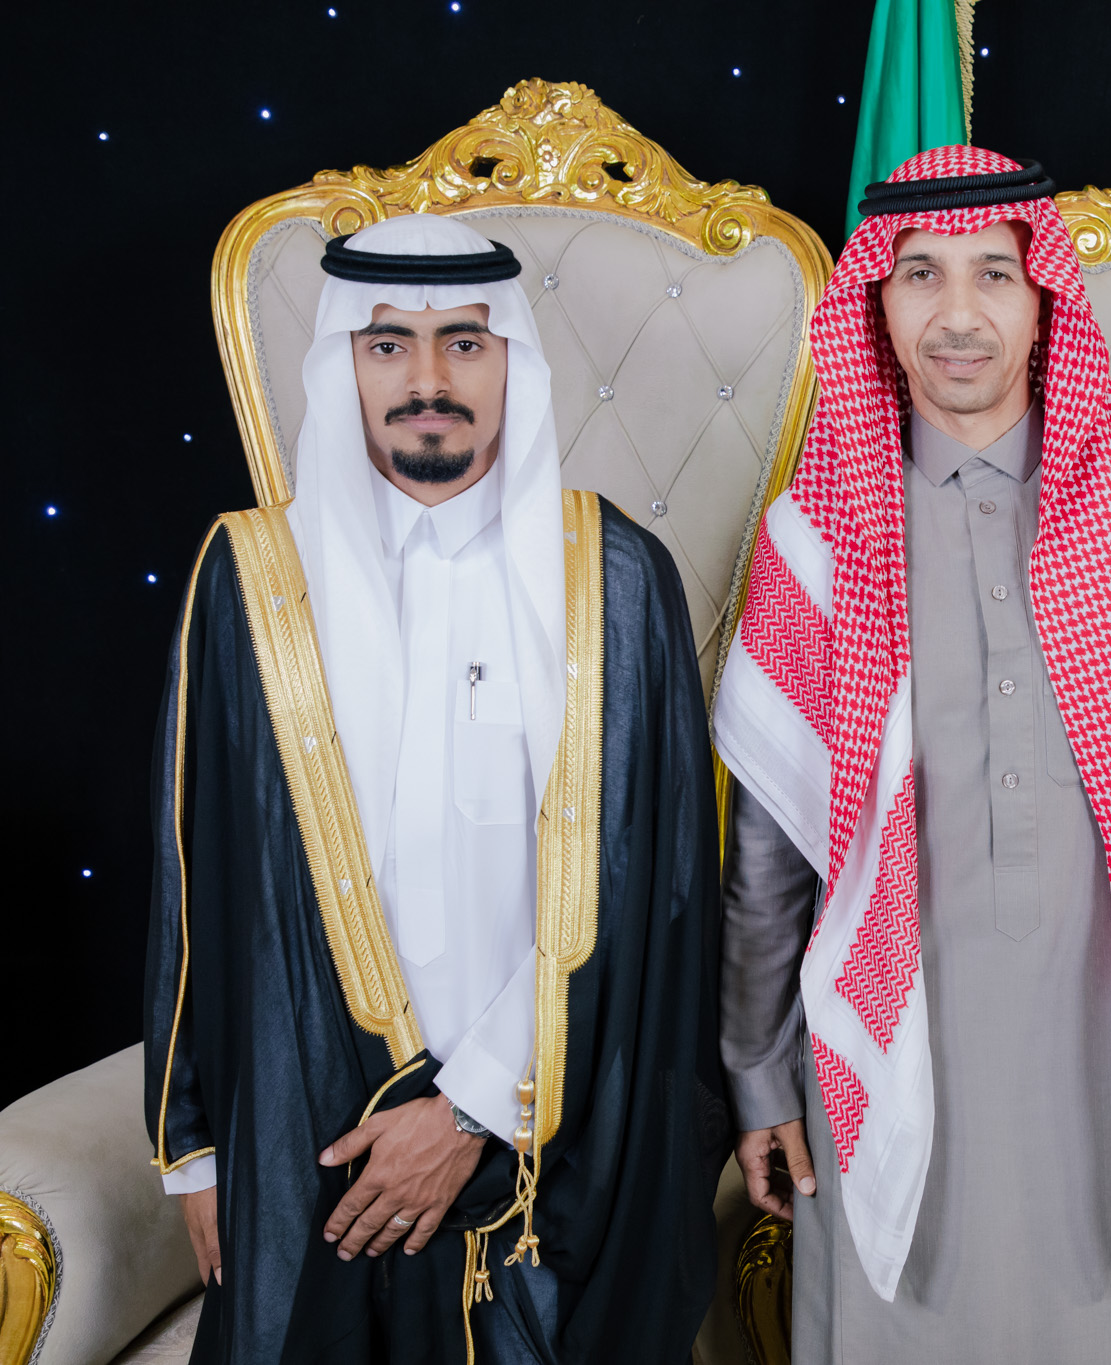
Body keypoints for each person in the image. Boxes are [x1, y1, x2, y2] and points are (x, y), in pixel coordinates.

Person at [714, 147, 1111, 1363]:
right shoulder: (815, 538)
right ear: (874, 307)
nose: (957, 315)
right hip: (883, 1054)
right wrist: (758, 1073)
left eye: (993, 273)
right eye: (920, 276)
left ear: (1045, 298)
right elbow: (766, 860)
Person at [144, 213, 726, 1363]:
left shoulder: (614, 579)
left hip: (550, 1149)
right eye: (386, 346)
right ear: (342, 365)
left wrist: (471, 1108)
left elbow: (655, 890)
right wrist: (196, 1152)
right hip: (311, 1128)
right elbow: (191, 872)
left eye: (464, 342)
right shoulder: (249, 578)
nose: (427, 381)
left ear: (513, 359)